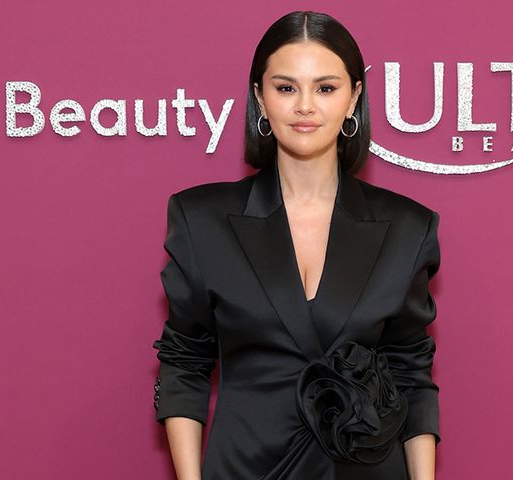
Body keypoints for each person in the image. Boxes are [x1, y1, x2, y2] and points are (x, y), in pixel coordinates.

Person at [152, 10, 441, 480]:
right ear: (259, 98)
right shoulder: (200, 220)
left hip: (365, 468)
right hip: (246, 467)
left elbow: (409, 368)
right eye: (286, 88)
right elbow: (184, 362)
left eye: (325, 88)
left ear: (353, 99)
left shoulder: (408, 226)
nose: (305, 105)